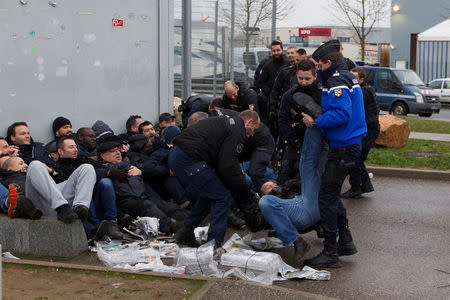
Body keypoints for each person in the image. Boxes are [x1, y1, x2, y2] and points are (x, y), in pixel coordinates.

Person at [302, 39, 367, 268]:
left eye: (319, 65)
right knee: (331, 194)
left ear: (328, 62)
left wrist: (316, 121)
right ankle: (345, 241)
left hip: (342, 147)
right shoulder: (346, 76)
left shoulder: (337, 81)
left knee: (326, 198)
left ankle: (331, 251)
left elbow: (341, 114)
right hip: (348, 145)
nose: (318, 69)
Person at [168, 110, 262, 247]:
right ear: (249, 122)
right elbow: (228, 164)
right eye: (254, 129)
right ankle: (213, 244)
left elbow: (223, 163)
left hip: (180, 156)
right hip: (190, 158)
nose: (252, 134)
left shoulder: (227, 124)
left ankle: (186, 231)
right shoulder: (238, 129)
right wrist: (245, 190)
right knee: (222, 197)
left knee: (210, 195)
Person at [259, 124, 326, 267]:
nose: (270, 187)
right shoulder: (271, 204)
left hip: (308, 206)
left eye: (270, 185)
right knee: (266, 202)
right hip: (308, 211)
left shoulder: (298, 176)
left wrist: (312, 122)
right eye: (266, 188)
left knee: (307, 161)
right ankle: (298, 241)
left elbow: (309, 153)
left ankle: (299, 241)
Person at [97, 135, 188, 235]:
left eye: (118, 150)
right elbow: (97, 173)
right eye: (112, 151)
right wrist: (111, 172)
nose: (117, 152)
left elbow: (149, 168)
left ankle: (193, 221)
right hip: (126, 203)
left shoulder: (130, 164)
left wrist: (141, 172)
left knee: (168, 206)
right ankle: (172, 227)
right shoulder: (102, 170)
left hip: (144, 197)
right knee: (148, 207)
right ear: (102, 156)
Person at [277, 59, 322, 184]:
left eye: (307, 79)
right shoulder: (289, 95)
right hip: (294, 141)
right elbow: (283, 120)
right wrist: (292, 140)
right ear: (296, 75)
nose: (303, 82)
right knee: (284, 177)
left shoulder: (322, 94)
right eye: (300, 78)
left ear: (315, 76)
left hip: (318, 143)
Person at [341, 67, 380, 198]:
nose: (350, 80)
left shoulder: (362, 92)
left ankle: (356, 187)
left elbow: (354, 106)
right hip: (365, 129)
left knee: (355, 158)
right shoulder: (363, 89)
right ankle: (365, 185)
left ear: (361, 79)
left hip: (368, 130)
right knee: (357, 158)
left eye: (354, 78)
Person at [258, 40, 289, 135]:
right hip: (271, 100)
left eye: (278, 50)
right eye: (274, 51)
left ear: (282, 50)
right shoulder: (267, 65)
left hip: (284, 98)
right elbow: (262, 82)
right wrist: (270, 93)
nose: (276, 53)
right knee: (271, 125)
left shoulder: (288, 64)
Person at [270, 48, 307, 119]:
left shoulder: (311, 74)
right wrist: (272, 109)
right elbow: (275, 91)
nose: (299, 63)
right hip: (287, 108)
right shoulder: (285, 72)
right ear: (294, 59)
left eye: (302, 61)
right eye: (297, 60)